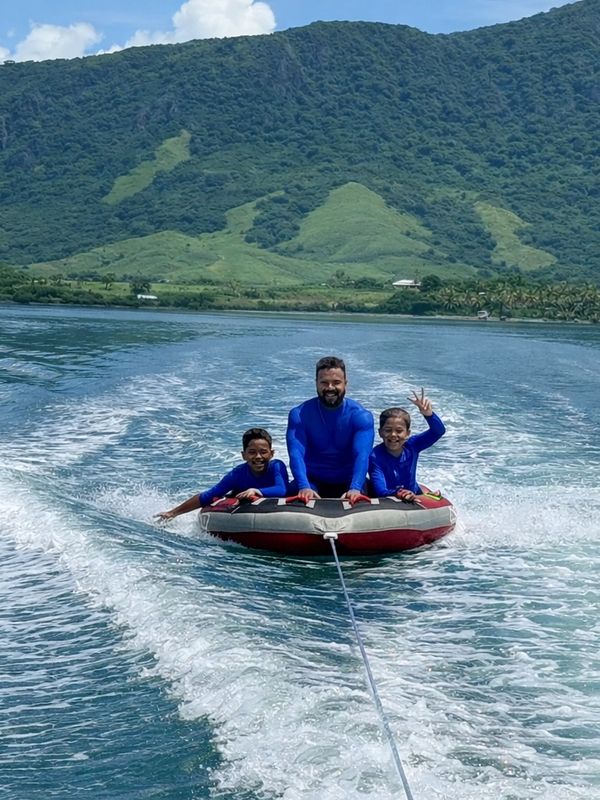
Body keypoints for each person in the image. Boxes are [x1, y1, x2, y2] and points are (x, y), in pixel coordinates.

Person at [286, 356, 374, 502]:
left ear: (345, 383)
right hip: (312, 481)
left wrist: (355, 488)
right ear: (316, 383)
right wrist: (304, 486)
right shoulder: (300, 415)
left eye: (336, 383)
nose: (330, 388)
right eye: (324, 382)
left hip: (349, 481)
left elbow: (362, 455)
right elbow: (296, 453)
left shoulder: (360, 416)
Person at [155, 427, 289, 520]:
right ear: (244, 455)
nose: (258, 457)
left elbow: (282, 490)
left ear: (272, 453)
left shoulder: (277, 466)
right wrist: (173, 513)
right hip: (244, 507)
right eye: (252, 452)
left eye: (263, 452)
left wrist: (255, 491)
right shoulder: (237, 474)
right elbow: (209, 495)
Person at [369, 388, 445, 502]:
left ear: (407, 433)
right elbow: (380, 491)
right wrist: (400, 493)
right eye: (388, 430)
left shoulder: (412, 446)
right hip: (386, 502)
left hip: (415, 493)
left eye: (399, 431)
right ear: (380, 432)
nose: (393, 435)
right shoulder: (375, 457)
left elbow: (438, 431)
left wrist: (429, 415)